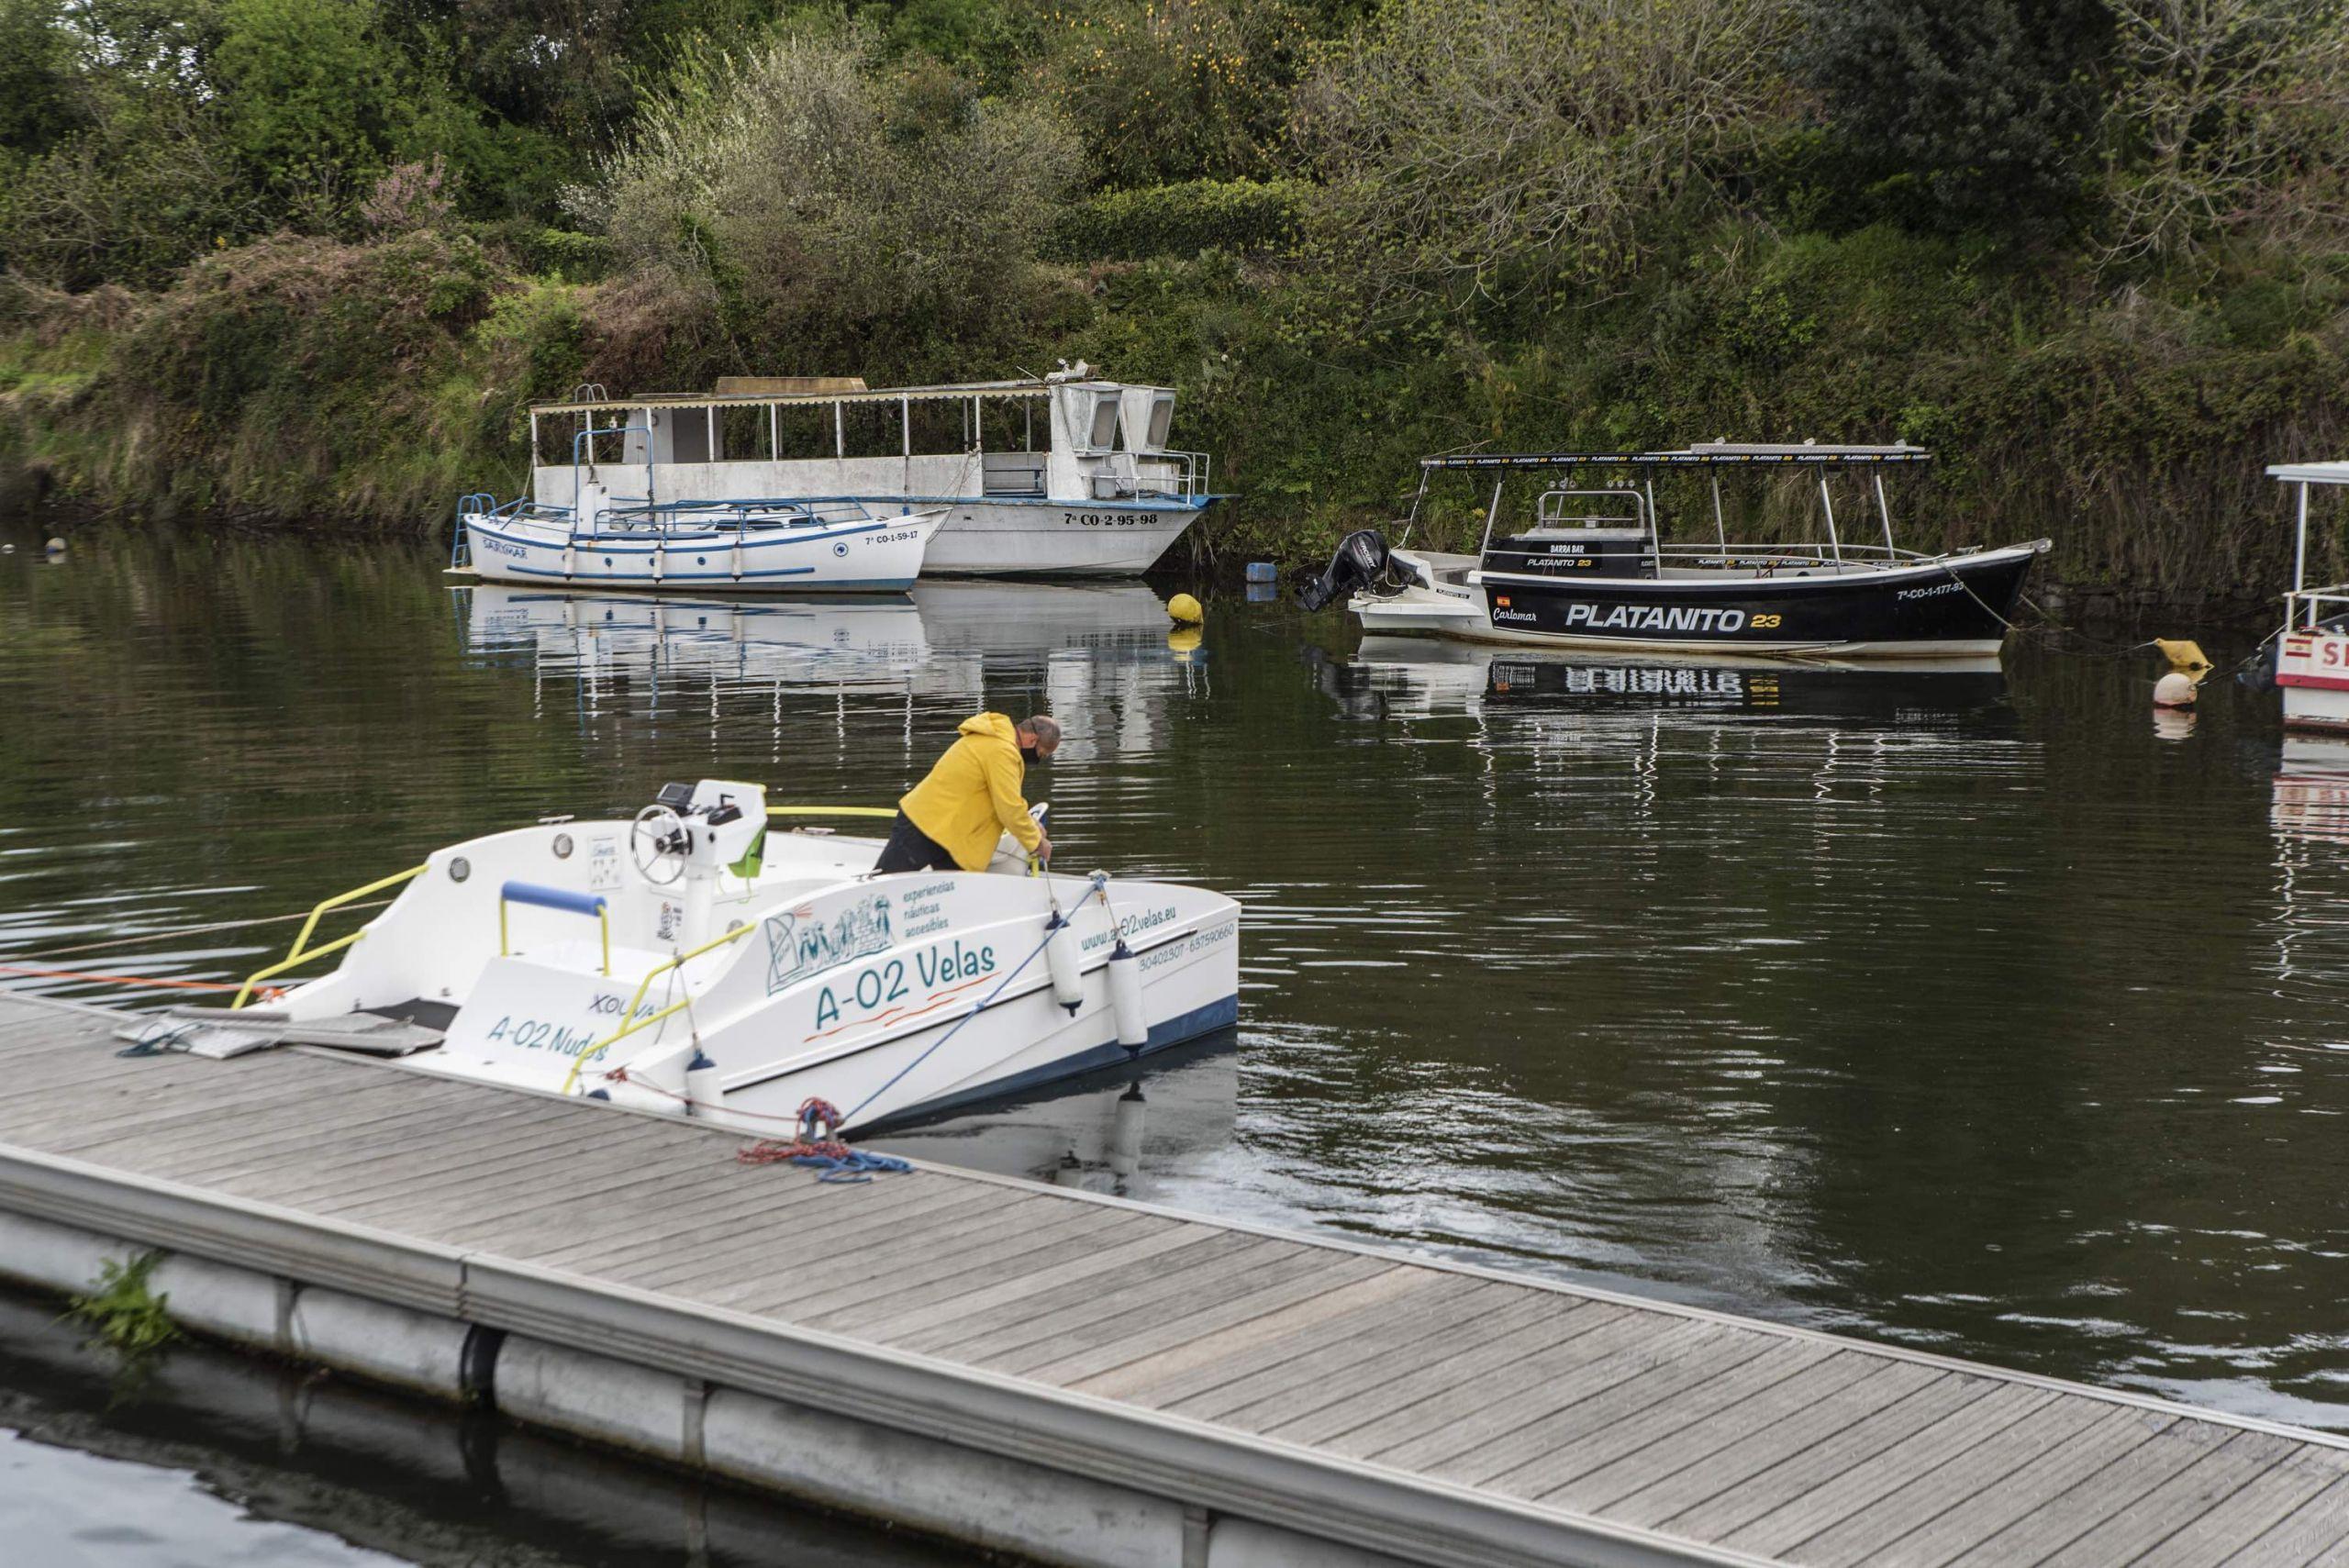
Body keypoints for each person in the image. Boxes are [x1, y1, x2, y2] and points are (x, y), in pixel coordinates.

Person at [873, 713, 1061, 874]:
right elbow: (1008, 807)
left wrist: (1030, 823)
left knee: (958, 892)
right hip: (924, 826)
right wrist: (1036, 842)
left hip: (948, 832)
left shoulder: (993, 739)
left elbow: (1000, 797)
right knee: (883, 887)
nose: (1038, 760)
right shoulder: (1002, 751)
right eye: (1042, 754)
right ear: (1032, 740)